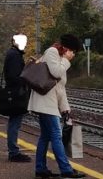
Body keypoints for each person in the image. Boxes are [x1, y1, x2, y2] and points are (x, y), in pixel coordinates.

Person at [28, 34, 86, 178]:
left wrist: (65, 107)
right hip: (45, 102)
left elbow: (60, 87)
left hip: (50, 102)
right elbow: (56, 72)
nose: (73, 55)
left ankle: (40, 169)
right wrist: (66, 60)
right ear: (68, 48)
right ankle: (66, 170)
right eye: (73, 52)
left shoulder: (58, 55)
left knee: (45, 136)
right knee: (56, 135)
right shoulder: (52, 52)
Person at [3, 33, 31, 162]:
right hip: (16, 94)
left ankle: (13, 151)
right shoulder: (14, 56)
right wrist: (27, 77)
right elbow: (15, 77)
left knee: (14, 122)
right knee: (15, 123)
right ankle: (13, 152)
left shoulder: (13, 54)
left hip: (14, 93)